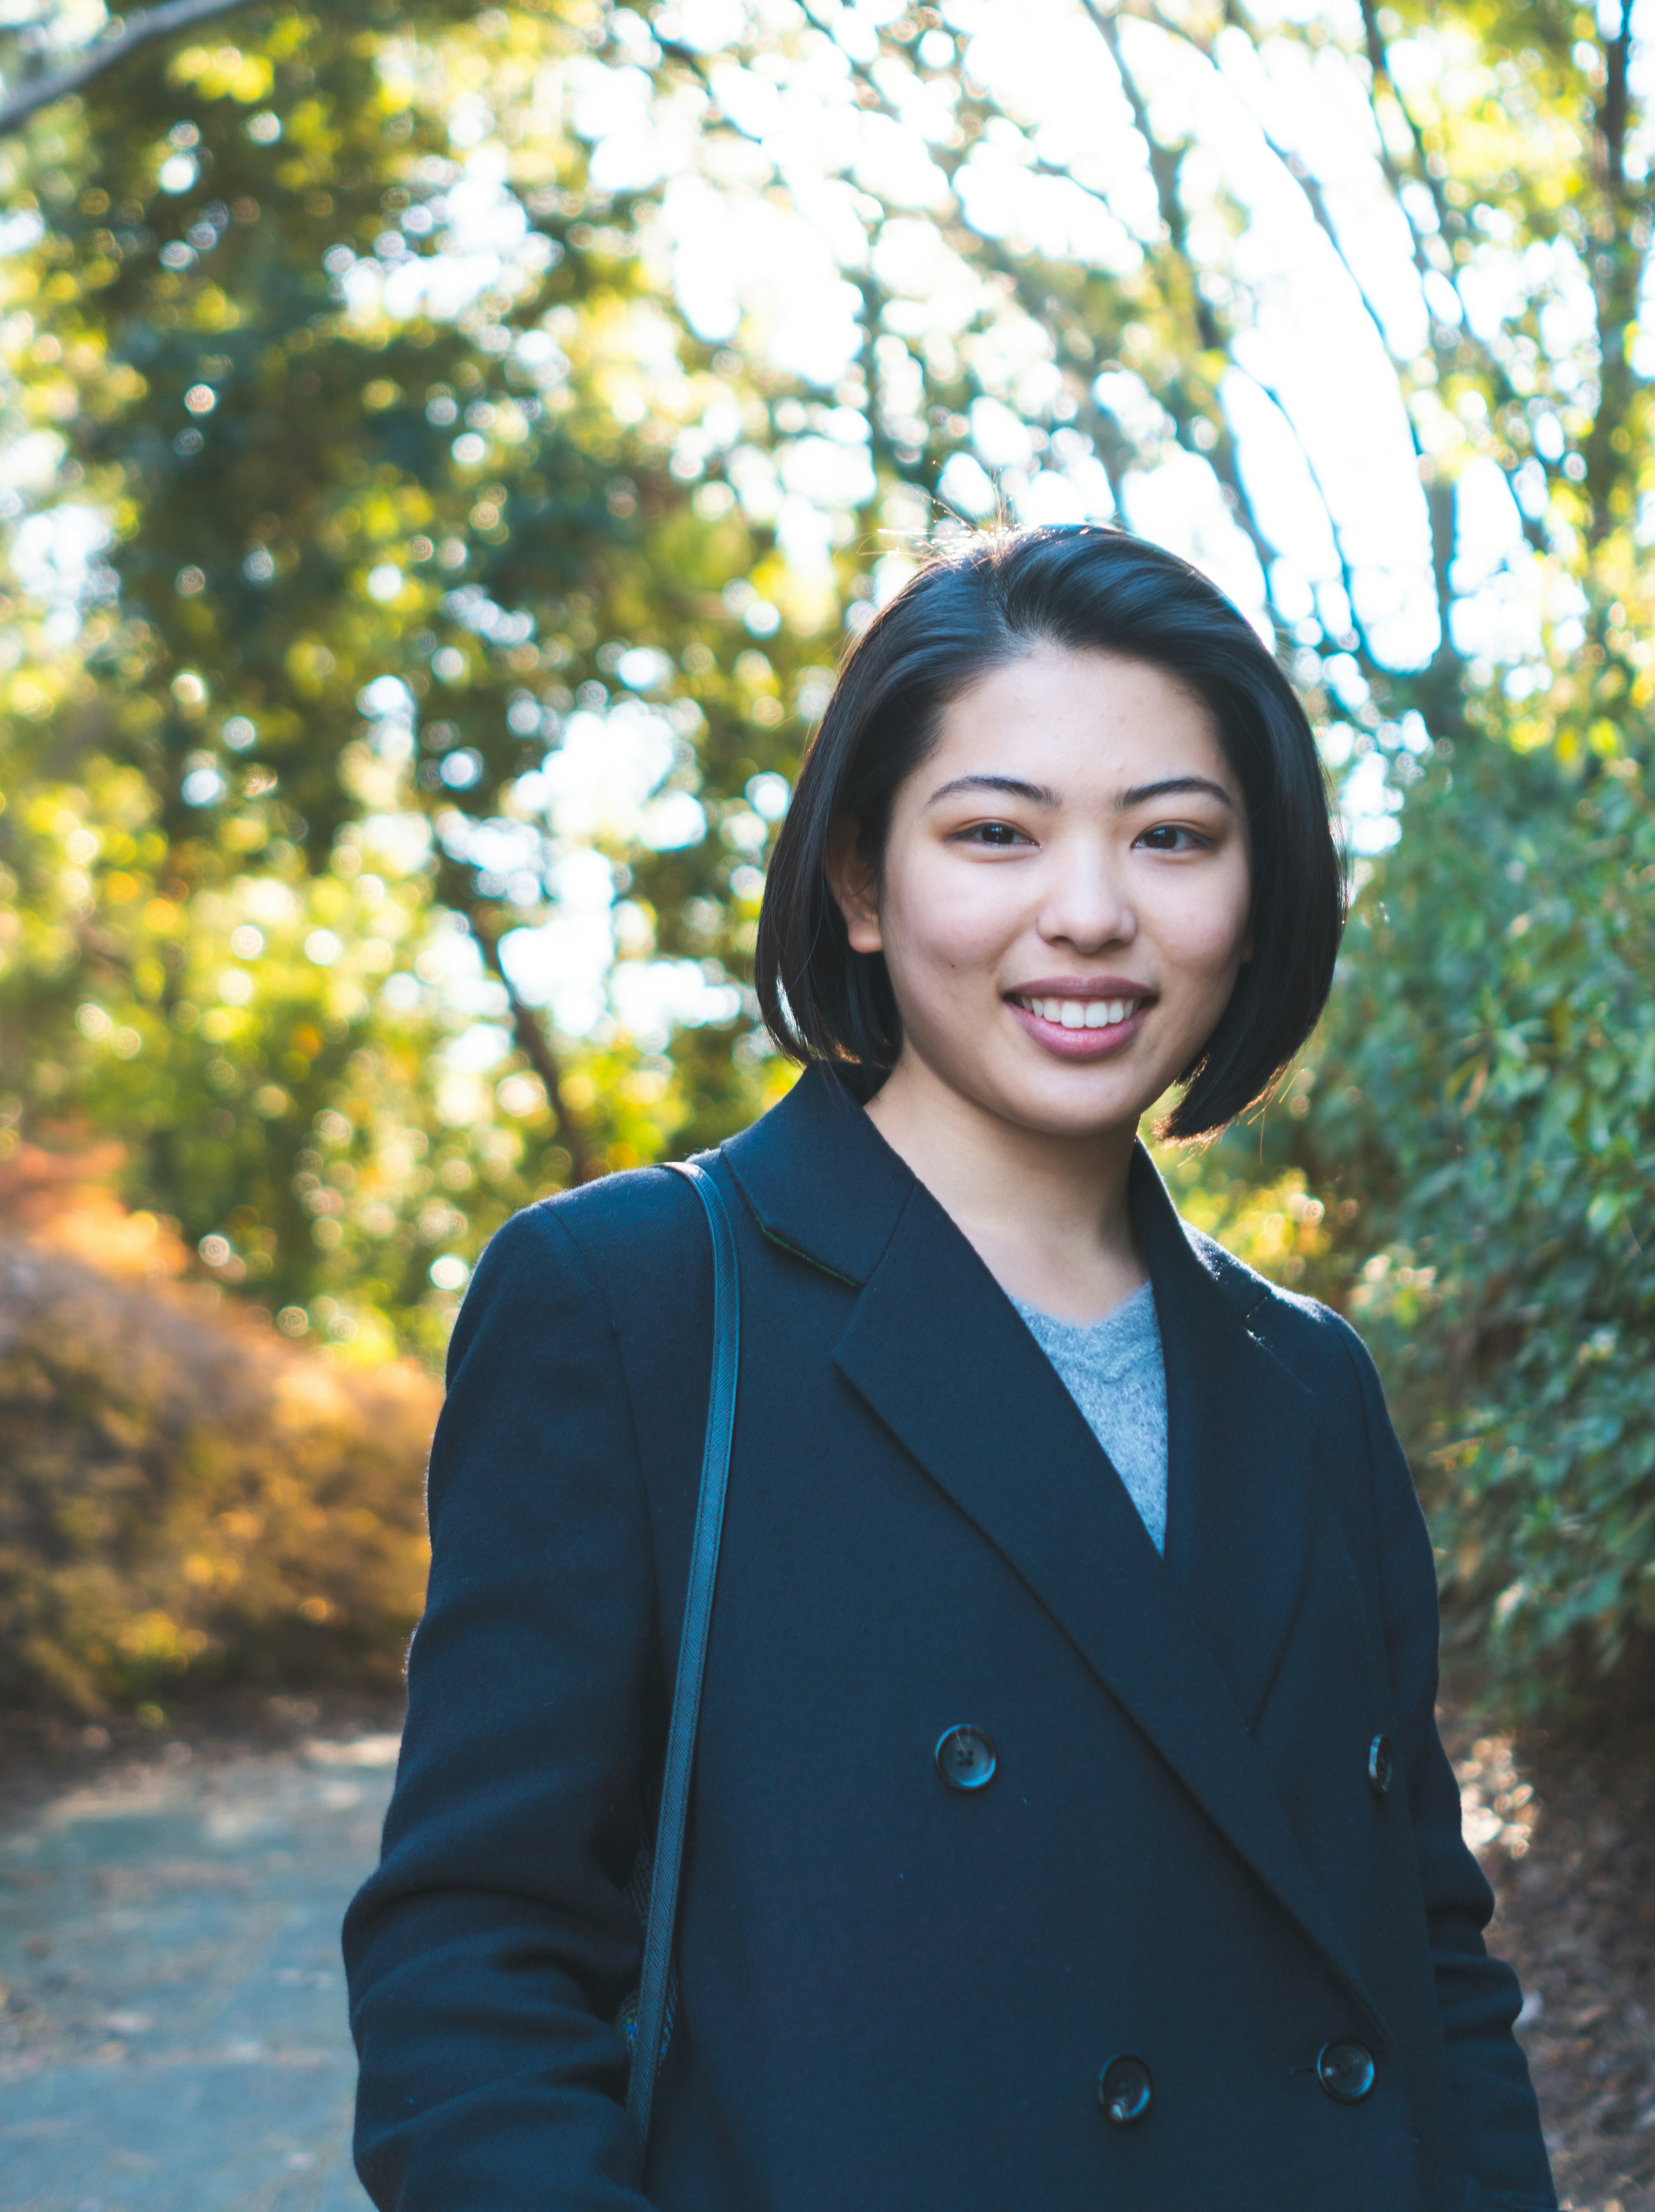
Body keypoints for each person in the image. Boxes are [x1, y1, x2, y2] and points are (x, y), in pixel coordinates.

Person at [344, 524, 1555, 2212]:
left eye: (1174, 838)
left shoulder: (1309, 1378)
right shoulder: (629, 1303)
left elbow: (1429, 1963)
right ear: (859, 879)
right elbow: (473, 1966)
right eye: (995, 832)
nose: (1090, 914)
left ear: (1255, 884)